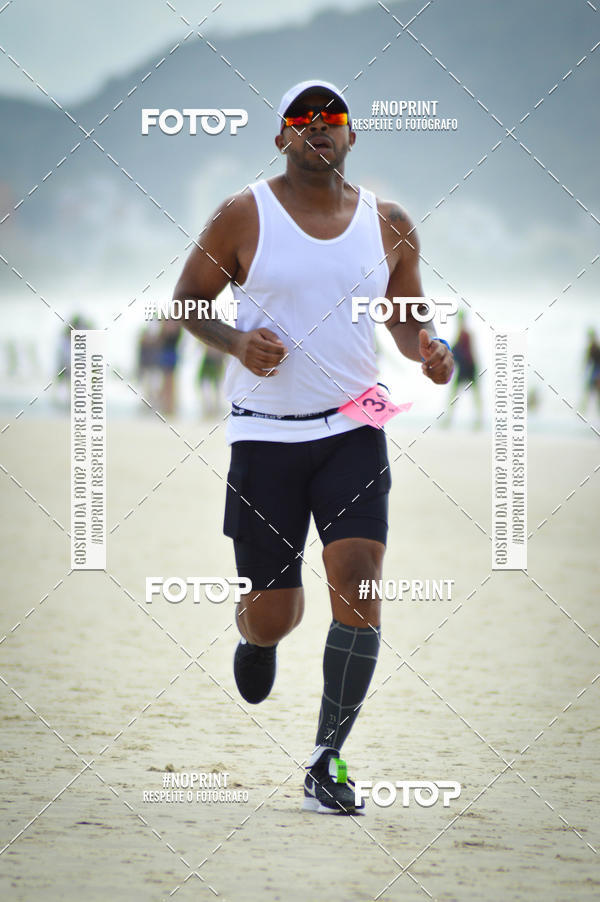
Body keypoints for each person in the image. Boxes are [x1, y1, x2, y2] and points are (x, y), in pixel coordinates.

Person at [174, 80, 453, 814]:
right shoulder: (243, 214)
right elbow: (187, 301)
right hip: (266, 436)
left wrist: (427, 346)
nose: (318, 129)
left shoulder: (388, 223)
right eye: (302, 119)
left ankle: (328, 757)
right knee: (278, 611)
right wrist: (236, 342)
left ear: (352, 137)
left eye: (332, 119)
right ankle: (257, 639)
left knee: (359, 582)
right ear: (281, 138)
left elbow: (404, 314)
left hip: (355, 426)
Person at [445, 309, 482, 428]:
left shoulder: (465, 334)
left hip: (469, 367)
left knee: (472, 395)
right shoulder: (462, 334)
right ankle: (450, 419)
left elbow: (468, 353)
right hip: (466, 367)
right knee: (456, 393)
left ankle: (478, 420)